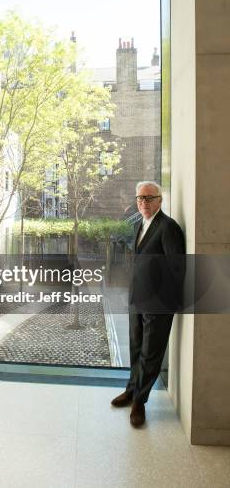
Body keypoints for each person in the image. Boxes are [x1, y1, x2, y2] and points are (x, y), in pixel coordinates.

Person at [111, 181, 185, 428]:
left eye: (148, 198)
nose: (143, 202)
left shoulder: (168, 227)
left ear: (160, 200)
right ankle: (132, 390)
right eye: (140, 198)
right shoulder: (140, 224)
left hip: (158, 303)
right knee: (135, 347)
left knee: (150, 353)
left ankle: (140, 402)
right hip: (138, 298)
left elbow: (177, 269)